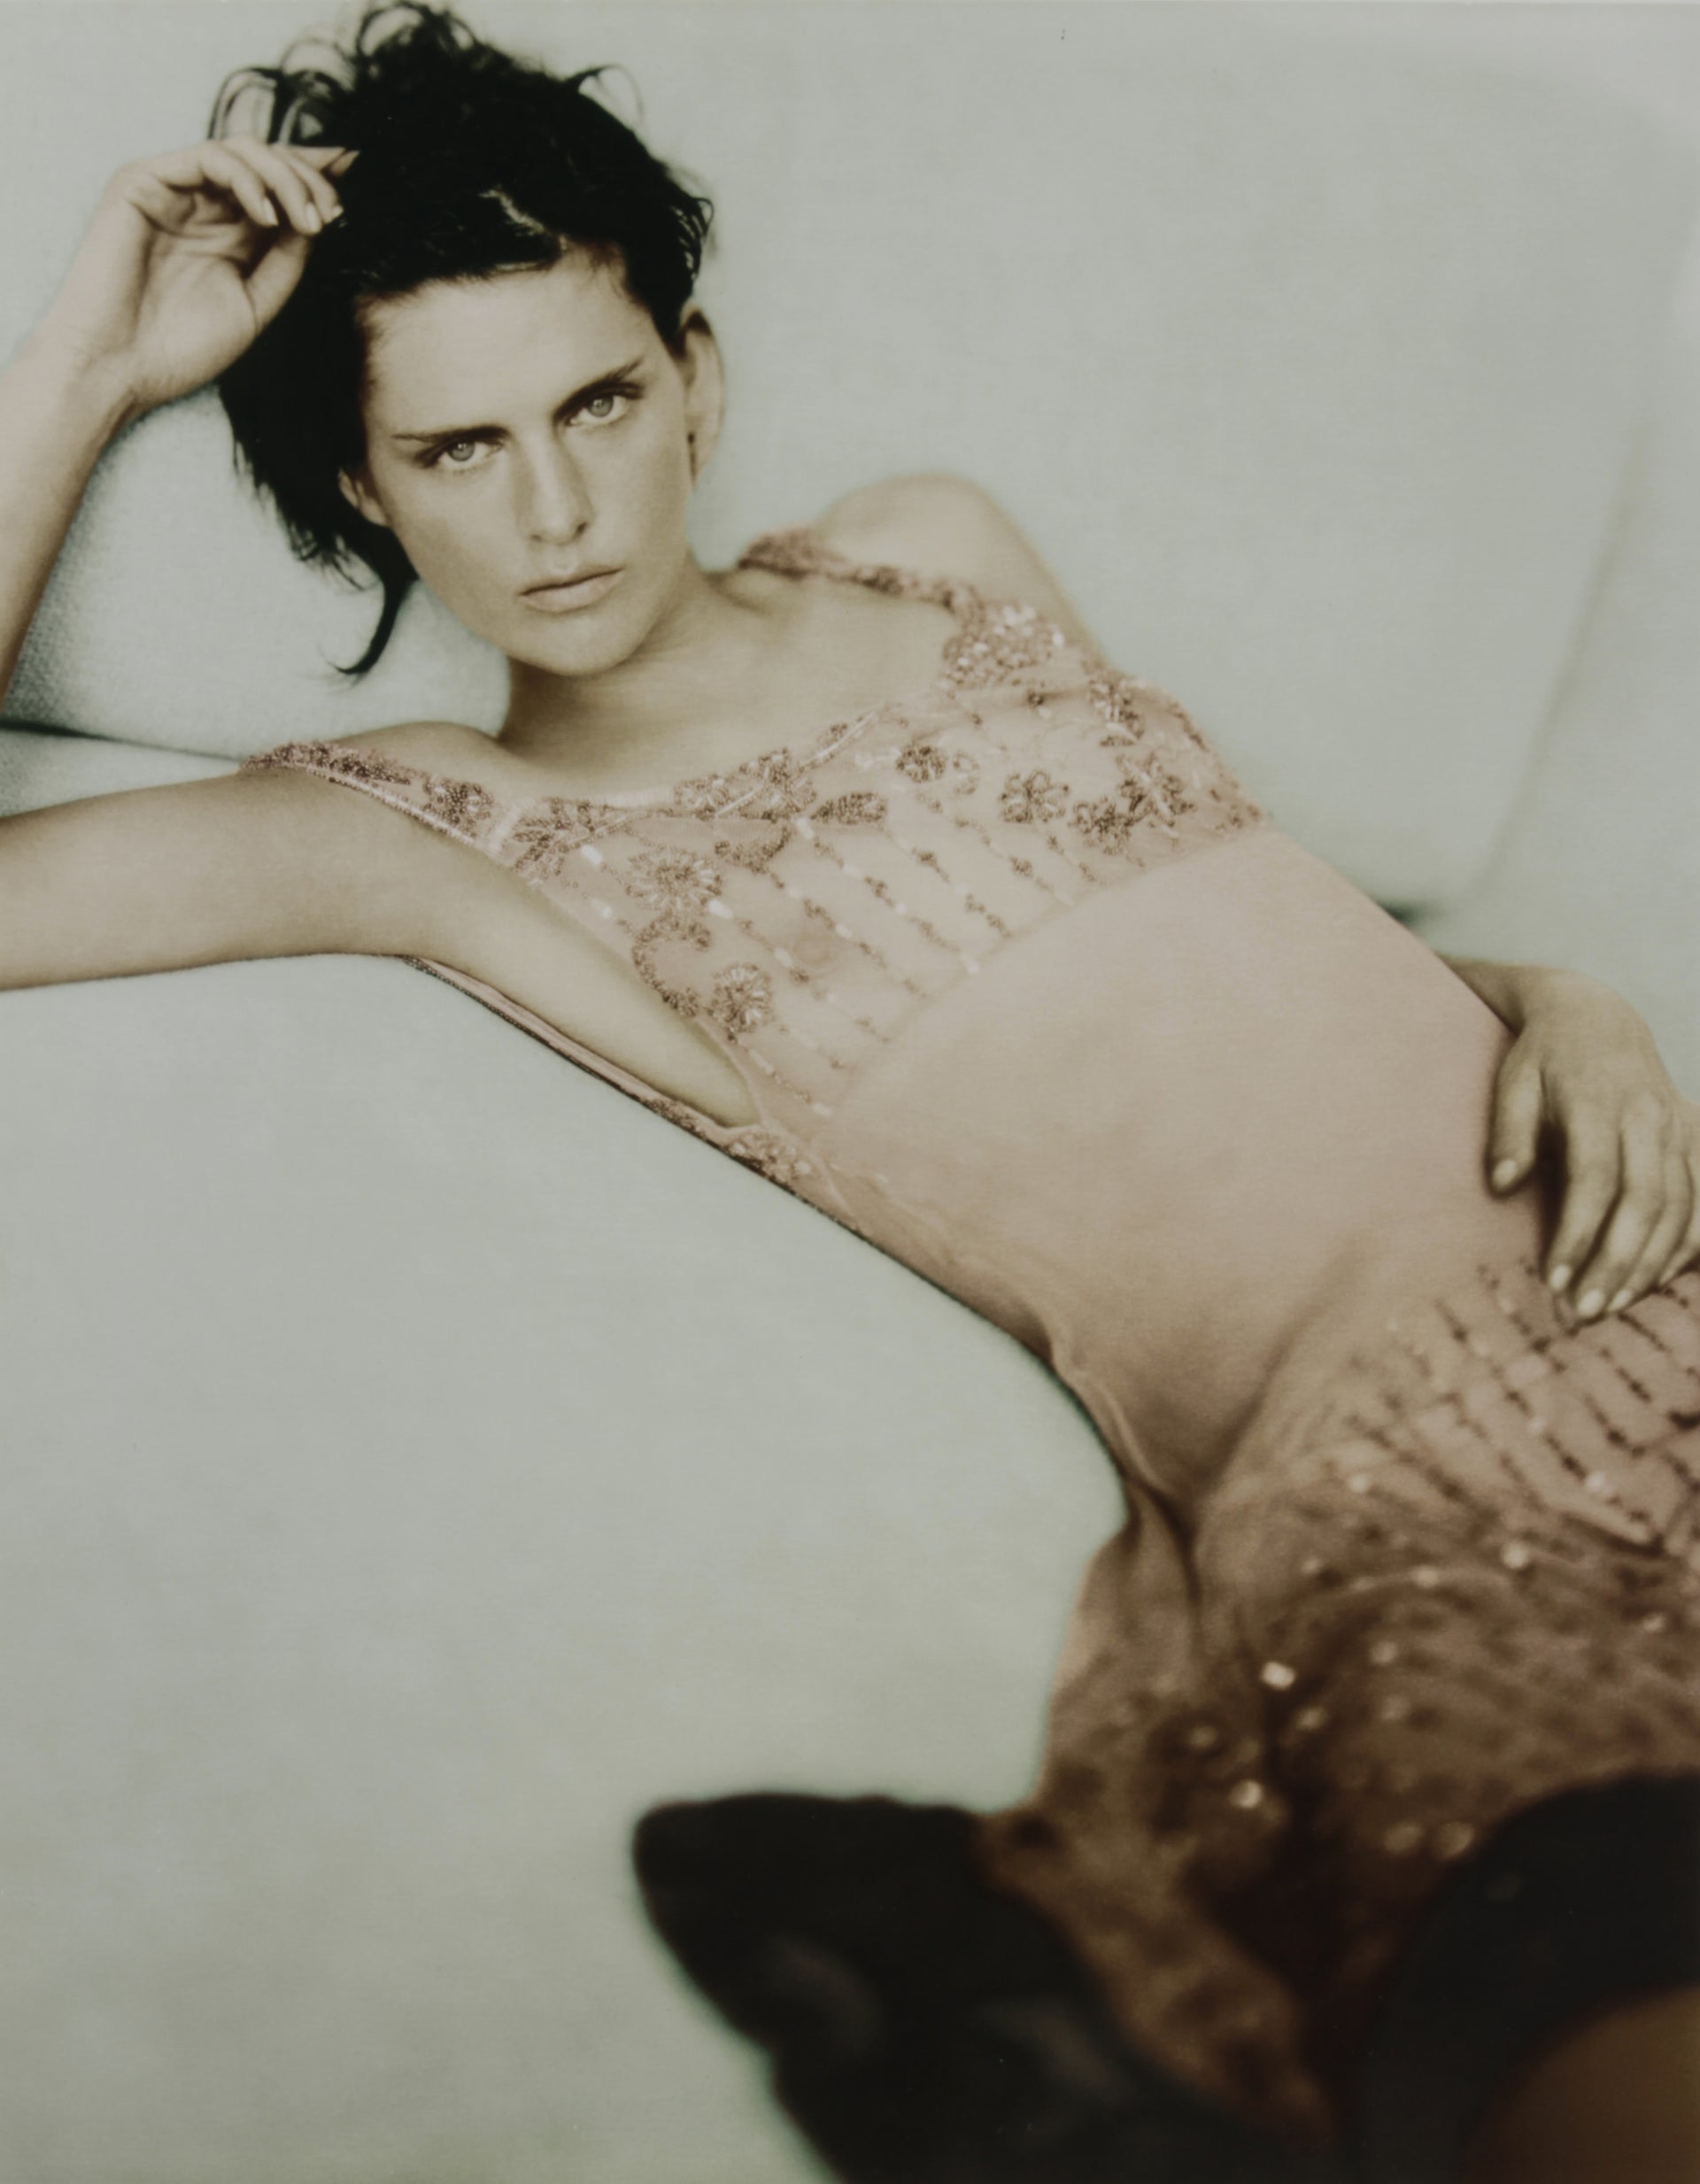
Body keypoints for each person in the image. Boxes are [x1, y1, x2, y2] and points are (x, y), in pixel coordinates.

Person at [1, 8, 1696, 2180]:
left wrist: (1564, 994)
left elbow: (1251, 930)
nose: (557, 508)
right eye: (458, 448)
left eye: (600, 402)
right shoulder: (434, 833)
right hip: (1413, 1511)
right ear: (364, 486)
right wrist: (87, 361)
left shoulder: (933, 548)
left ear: (696, 381)